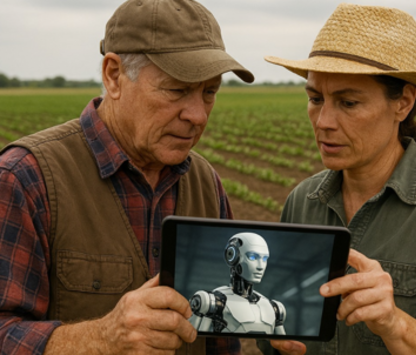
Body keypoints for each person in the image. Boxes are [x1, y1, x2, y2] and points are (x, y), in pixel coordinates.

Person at [0, 0, 254, 354]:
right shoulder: (26, 178)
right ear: (114, 75)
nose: (197, 115)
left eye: (209, 92)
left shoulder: (205, 184)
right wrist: (102, 338)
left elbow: (221, 343)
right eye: (177, 89)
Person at [258, 4, 416, 355]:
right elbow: (272, 334)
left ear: (402, 103)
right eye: (315, 99)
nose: (323, 120)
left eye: (348, 102)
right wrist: (274, 335)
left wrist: (394, 323)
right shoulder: (303, 200)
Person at [189, 233, 287, 334]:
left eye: (265, 259)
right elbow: (191, 342)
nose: (260, 266)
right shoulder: (213, 302)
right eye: (253, 257)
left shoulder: (274, 308)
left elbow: (283, 347)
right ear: (232, 256)